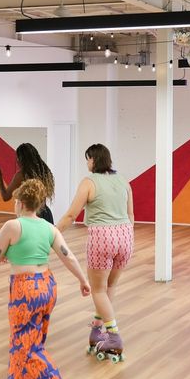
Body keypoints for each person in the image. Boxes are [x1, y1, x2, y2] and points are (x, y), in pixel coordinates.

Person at [0, 178, 90, 379]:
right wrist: (83, 280)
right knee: (24, 343)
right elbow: (68, 256)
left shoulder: (12, 226)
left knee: (28, 347)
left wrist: (5, 254)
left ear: (20, 203)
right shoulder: (49, 228)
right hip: (47, 286)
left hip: (24, 291)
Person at [56, 143, 133, 362]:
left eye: (87, 159)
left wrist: (52, 233)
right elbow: (131, 214)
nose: (86, 163)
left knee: (97, 290)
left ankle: (113, 336)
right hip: (126, 236)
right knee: (110, 286)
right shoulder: (123, 181)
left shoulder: (89, 183)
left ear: (93, 159)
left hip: (103, 237)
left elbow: (72, 215)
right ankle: (97, 330)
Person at [0, 143, 56, 224]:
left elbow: (6, 196)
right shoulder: (44, 171)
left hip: (30, 216)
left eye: (17, 157)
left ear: (20, 159)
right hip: (46, 214)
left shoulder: (22, 174)